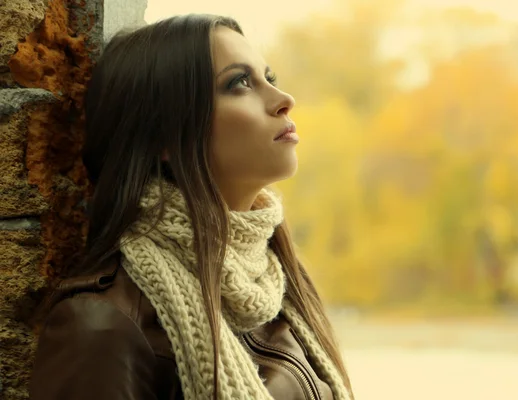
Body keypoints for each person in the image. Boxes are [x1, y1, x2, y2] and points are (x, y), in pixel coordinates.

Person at [28, 14, 354, 400]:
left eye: (270, 78)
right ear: (164, 136)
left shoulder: (278, 283)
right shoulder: (103, 325)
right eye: (239, 83)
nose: (284, 100)